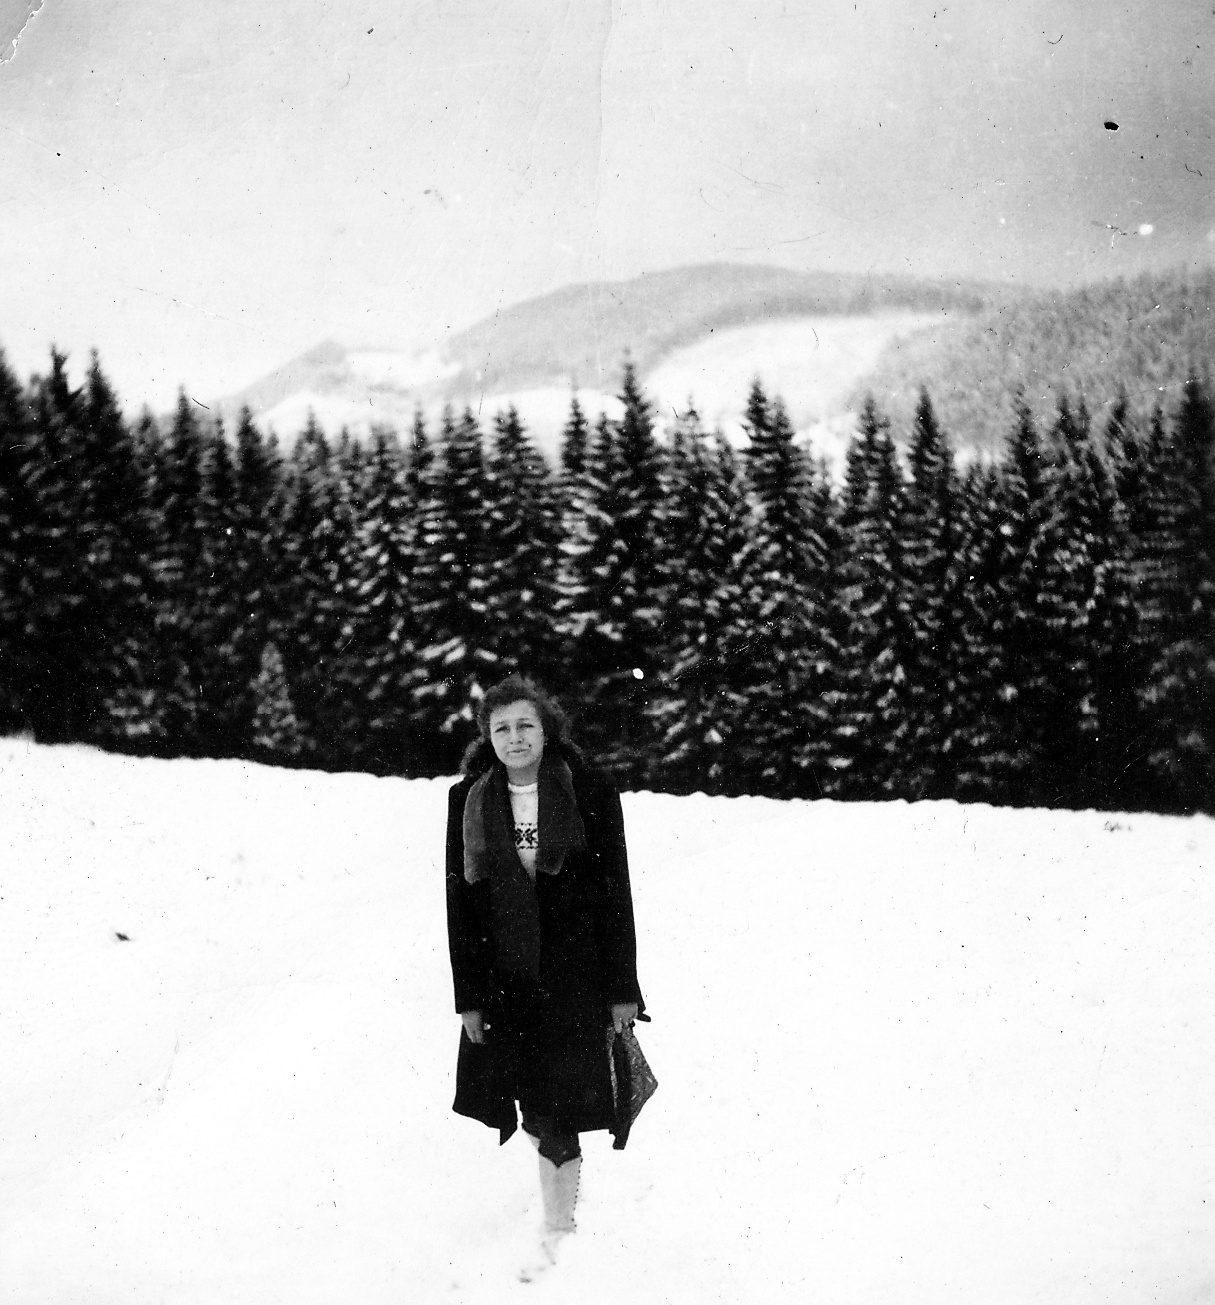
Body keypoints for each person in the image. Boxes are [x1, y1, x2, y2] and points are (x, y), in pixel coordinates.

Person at [445, 673, 645, 1276]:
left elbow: (615, 894)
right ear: (487, 737)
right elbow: (459, 906)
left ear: (547, 729)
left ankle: (559, 1229)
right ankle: (559, 1190)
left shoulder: (588, 791)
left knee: (559, 1107)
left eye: (525, 725)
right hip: (506, 980)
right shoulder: (468, 799)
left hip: (576, 979)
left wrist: (623, 988)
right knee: (533, 1103)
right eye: (502, 728)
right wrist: (469, 998)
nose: (515, 738)